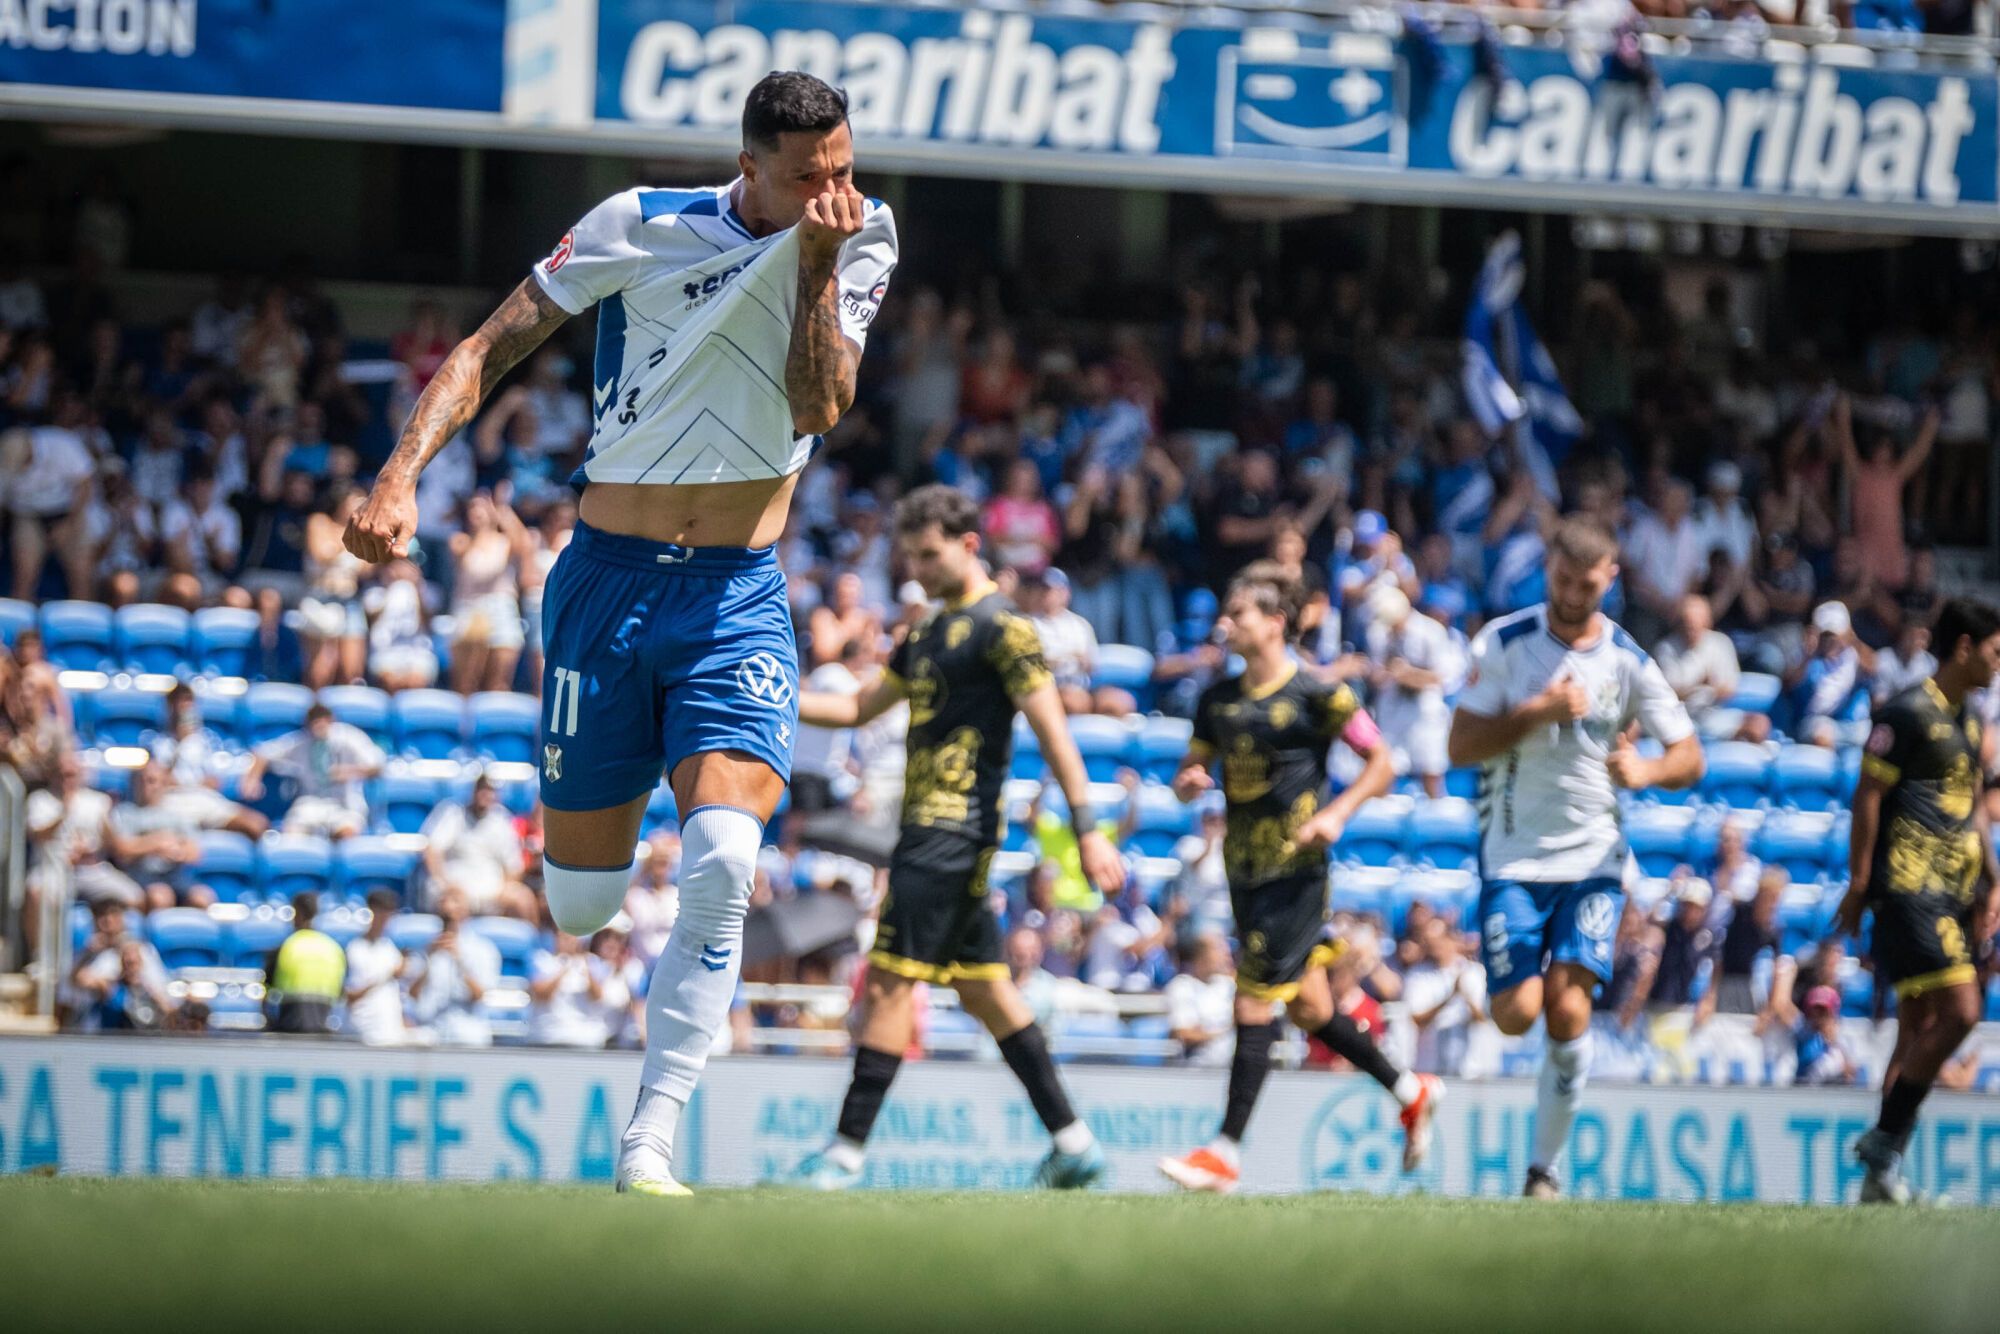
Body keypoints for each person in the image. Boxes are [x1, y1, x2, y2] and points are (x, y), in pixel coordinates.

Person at [341, 71, 895, 1198]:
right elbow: (491, 345)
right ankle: (604, 821)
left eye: (841, 165)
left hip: (736, 592)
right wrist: (399, 476)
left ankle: (650, 1138)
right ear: (749, 166)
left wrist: (816, 262)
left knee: (724, 859)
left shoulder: (860, 236)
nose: (833, 188)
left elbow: (817, 406)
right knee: (582, 903)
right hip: (604, 584)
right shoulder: (636, 226)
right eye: (807, 176)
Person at [790, 485, 1122, 1192]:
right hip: (927, 829)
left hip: (952, 828)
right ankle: (1074, 1142)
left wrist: (1089, 831)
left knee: (886, 982)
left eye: (931, 555)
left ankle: (843, 1155)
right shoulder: (926, 633)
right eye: (911, 556)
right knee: (986, 993)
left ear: (970, 545)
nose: (920, 569)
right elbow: (854, 708)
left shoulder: (1006, 628)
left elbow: (1055, 733)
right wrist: (774, 697)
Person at [1158, 561, 1440, 1195]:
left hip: (1297, 872)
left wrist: (1337, 813)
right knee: (1313, 1008)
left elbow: (1382, 761)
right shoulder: (1217, 701)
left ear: (1276, 622)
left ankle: (1224, 1153)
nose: (1226, 624)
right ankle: (1410, 1088)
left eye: (1240, 614)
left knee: (1252, 1002)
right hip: (1244, 872)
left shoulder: (1319, 694)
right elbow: (1188, 774)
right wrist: (1187, 783)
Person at [1447, 516, 1704, 1198]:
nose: (1572, 593)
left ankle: (1543, 1172)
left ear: (1610, 578)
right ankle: (1541, 1157)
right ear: (1548, 567)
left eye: (1586, 584)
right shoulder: (1503, 643)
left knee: (1567, 1013)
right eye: (1562, 579)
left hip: (1594, 859)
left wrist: (1643, 773)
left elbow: (1689, 754)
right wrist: (1537, 711)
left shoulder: (1625, 657)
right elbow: (1460, 746)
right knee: (1516, 1014)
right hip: (1513, 860)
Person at [1837, 597, 2000, 1204]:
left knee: (1916, 1031)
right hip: (1909, 889)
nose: (1999, 663)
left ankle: (1880, 1179)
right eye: (1994, 651)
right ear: (1964, 648)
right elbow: (1868, 798)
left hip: (1955, 895)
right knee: (1961, 1011)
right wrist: (1859, 885)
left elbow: (1977, 808)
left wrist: (1993, 881)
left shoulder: (1973, 720)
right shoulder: (1904, 713)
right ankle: (1883, 1141)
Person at [1364, 582, 1461, 799]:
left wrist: (1407, 675)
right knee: (1386, 767)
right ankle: (1382, 823)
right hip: (1391, 711)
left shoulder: (1431, 631)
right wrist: (1381, 675)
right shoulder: (1378, 633)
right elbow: (1376, 674)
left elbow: (1442, 678)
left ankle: (1438, 821)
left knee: (1431, 771)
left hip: (1424, 712)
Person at [241, 703, 385, 840]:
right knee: (291, 836)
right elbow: (263, 753)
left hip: (344, 804)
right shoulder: (301, 741)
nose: (318, 728)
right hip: (309, 803)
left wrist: (349, 772)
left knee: (347, 834)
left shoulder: (350, 738)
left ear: (331, 721)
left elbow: (378, 766)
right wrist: (252, 779)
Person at [419, 774, 534, 920]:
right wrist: (443, 882)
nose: (485, 795)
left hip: (493, 890)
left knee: (523, 899)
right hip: (457, 885)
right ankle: (458, 941)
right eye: (482, 790)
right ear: (473, 791)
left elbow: (514, 866)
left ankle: (533, 942)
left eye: (490, 791)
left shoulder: (502, 820)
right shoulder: (453, 814)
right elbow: (432, 850)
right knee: (453, 902)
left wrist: (507, 886)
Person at [405, 885, 500, 1048]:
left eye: (455, 901)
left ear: (466, 912)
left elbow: (480, 995)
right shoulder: (426, 947)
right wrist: (429, 959)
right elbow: (412, 993)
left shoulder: (482, 949)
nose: (448, 908)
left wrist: (459, 961)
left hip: (467, 1033)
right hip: (431, 1032)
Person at [1402, 916, 1487, 1076]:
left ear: (1450, 939)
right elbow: (1417, 1019)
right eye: (1427, 942)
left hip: (1469, 1071)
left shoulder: (1474, 972)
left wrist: (1465, 996)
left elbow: (1483, 1017)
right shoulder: (1417, 974)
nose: (1432, 947)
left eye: (1437, 941)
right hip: (1428, 1069)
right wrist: (1449, 997)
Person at [528, 927, 635, 1048]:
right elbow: (541, 994)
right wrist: (564, 968)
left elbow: (598, 996)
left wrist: (584, 966)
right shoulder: (544, 960)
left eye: (571, 937)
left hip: (582, 1036)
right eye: (563, 937)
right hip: (547, 1035)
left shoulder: (592, 963)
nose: (567, 941)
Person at [267, 891, 346, 1035]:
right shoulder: (333, 948)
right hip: (323, 1026)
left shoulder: (287, 946)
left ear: (298, 913)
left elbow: (267, 989)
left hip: (290, 1026)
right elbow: (341, 991)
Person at [343, 889, 409, 1046]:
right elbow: (351, 995)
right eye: (380, 912)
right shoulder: (354, 948)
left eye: (388, 913)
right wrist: (387, 975)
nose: (384, 918)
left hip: (390, 1029)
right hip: (362, 1030)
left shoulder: (391, 948)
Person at [1163, 930, 1237, 1067]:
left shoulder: (1228, 985)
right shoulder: (1181, 986)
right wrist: (1227, 1029)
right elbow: (1184, 1033)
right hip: (1197, 1069)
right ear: (1201, 955)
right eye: (1219, 949)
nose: (1226, 955)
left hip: (1232, 1067)